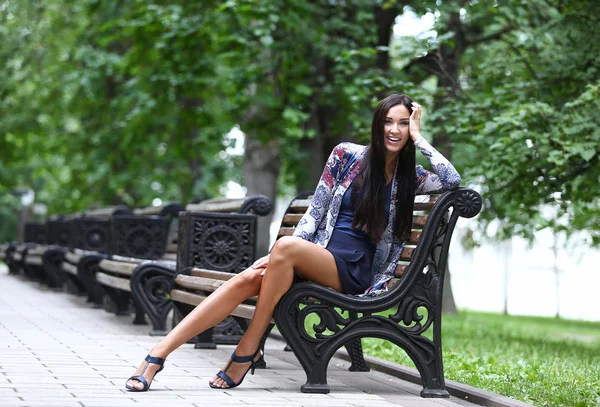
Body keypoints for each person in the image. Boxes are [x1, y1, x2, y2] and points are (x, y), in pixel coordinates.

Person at [125, 93, 461, 392]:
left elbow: (452, 180)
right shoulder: (346, 156)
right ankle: (157, 355)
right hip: (317, 255)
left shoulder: (411, 179)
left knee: (282, 250)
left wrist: (420, 137)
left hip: (353, 270)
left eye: (403, 124)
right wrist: (276, 258)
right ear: (377, 124)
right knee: (248, 278)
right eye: (388, 121)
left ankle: (248, 344)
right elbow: (314, 213)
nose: (395, 130)